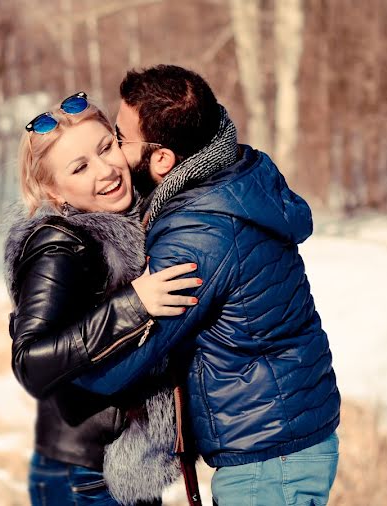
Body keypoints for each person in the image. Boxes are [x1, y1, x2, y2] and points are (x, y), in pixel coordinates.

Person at [65, 65, 342, 505]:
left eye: (120, 138)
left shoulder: (198, 235)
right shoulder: (236, 176)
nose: (115, 152)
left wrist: (59, 357)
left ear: (161, 159)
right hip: (284, 442)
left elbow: (125, 363)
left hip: (269, 461)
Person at [4, 92, 202, 506]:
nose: (106, 170)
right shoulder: (57, 245)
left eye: (106, 147)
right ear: (54, 192)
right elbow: (30, 361)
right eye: (80, 167)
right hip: (86, 478)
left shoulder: (130, 218)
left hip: (123, 469)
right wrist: (134, 304)